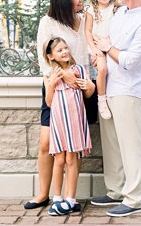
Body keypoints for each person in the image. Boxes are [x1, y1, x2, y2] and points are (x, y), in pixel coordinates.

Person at [88, 0, 141, 218]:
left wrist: (107, 47)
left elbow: (130, 61)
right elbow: (107, 38)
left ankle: (133, 199)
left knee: (131, 146)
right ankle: (115, 190)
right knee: (112, 145)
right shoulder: (121, 13)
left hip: (128, 90)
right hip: (107, 87)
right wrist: (101, 51)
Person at [25, 0, 93, 212]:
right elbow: (45, 60)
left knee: (76, 144)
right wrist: (65, 77)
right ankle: (44, 194)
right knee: (46, 142)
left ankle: (69, 197)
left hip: (84, 85)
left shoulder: (86, 19)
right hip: (57, 87)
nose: (80, 0)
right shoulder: (49, 22)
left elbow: (110, 6)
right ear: (64, 1)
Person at [42, 36, 94, 217]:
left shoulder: (78, 69)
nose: (64, 52)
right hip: (58, 122)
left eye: (65, 48)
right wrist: (52, 84)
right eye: (59, 50)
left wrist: (89, 85)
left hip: (74, 120)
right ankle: (57, 197)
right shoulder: (49, 75)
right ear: (51, 56)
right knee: (59, 160)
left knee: (72, 158)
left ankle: (70, 198)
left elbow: (87, 93)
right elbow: (49, 102)